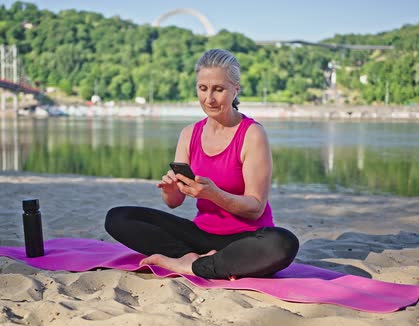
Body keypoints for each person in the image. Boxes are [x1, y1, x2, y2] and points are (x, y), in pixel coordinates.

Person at [105, 49, 299, 279]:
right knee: (118, 218)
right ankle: (188, 256)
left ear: (235, 89)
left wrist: (214, 194)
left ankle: (195, 266)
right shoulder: (189, 134)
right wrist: (170, 191)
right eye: (203, 88)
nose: (209, 99)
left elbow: (255, 208)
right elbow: (174, 203)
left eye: (219, 89)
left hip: (246, 237)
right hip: (200, 234)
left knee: (283, 243)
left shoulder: (252, 134)